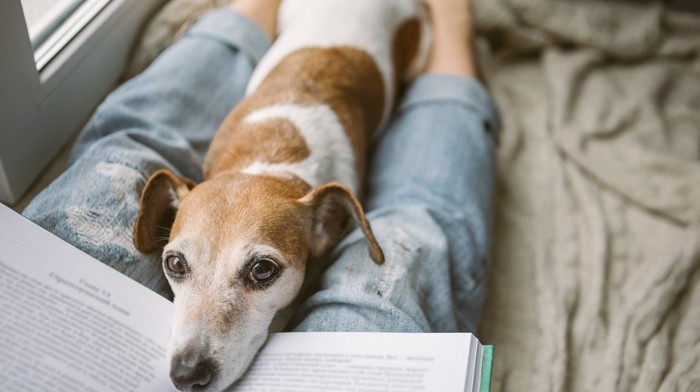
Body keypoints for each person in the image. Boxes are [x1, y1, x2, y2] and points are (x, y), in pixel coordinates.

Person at [23, 0, 499, 334]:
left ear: (330, 222)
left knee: (131, 139)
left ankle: (445, 27)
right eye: (177, 264)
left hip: (398, 16)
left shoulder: (329, 201)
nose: (195, 336)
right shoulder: (209, 172)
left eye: (261, 272)